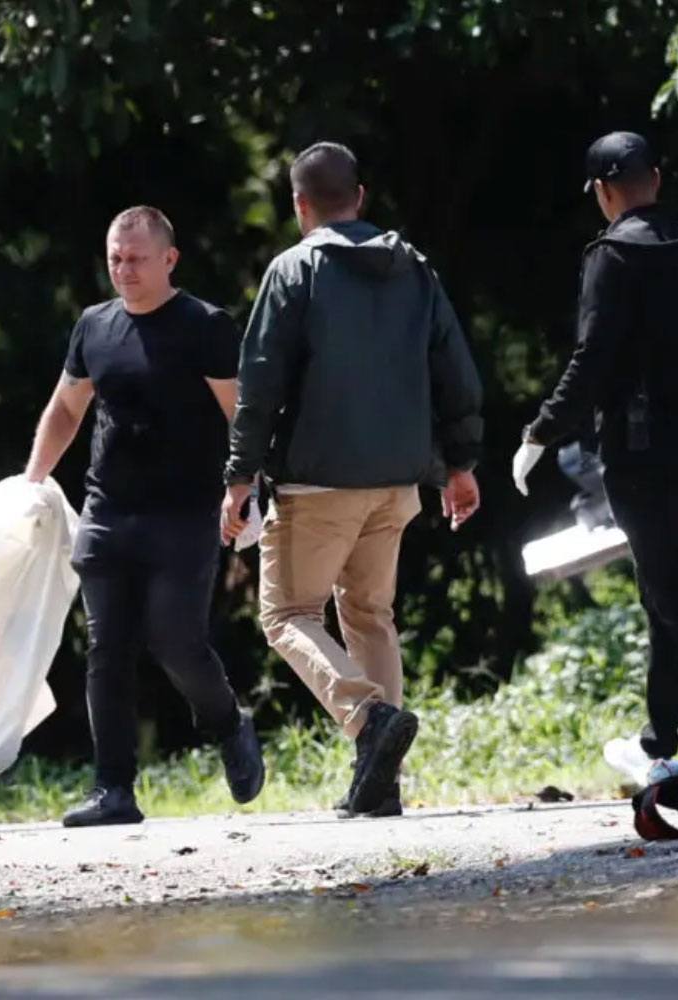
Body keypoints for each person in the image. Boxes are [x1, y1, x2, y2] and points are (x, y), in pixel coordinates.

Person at [221, 142, 484, 819]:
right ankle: (381, 785)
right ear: (360, 197)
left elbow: (260, 383)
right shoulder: (415, 267)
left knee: (288, 615)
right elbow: (454, 369)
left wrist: (240, 474)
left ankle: (368, 724)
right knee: (370, 615)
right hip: (399, 479)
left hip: (316, 481)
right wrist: (460, 464)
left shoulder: (293, 271)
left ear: (300, 206)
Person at [512, 132, 678, 780]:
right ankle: (660, 737)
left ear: (603, 190)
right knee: (663, 583)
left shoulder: (612, 255)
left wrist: (540, 432)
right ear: (656, 174)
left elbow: (592, 359)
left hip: (637, 449)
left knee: (677, 588)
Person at [24, 206, 265, 827]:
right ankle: (113, 791)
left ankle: (227, 725)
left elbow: (242, 414)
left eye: (135, 258)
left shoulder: (205, 326)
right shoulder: (93, 327)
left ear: (169, 259)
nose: (123, 269)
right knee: (107, 647)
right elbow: (65, 409)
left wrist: (244, 486)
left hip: (184, 512)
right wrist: (33, 481)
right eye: (115, 257)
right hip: (108, 510)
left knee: (176, 639)